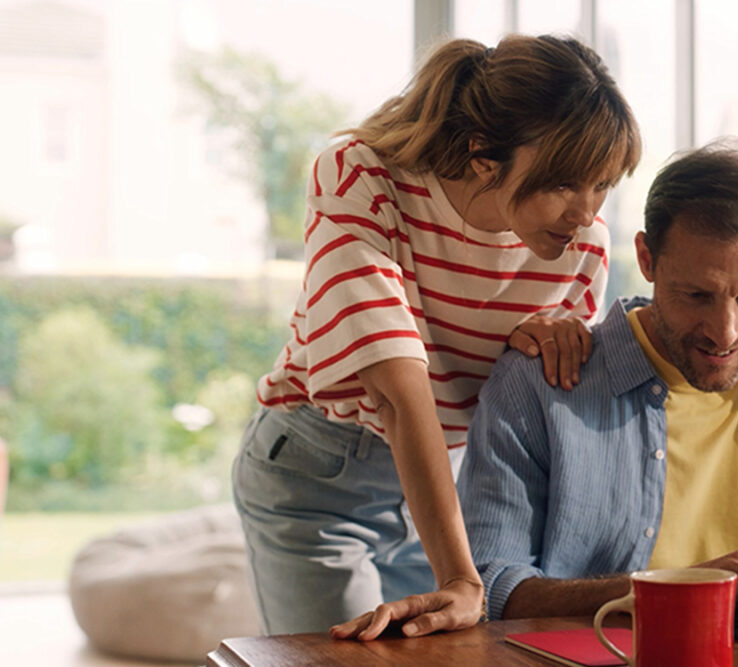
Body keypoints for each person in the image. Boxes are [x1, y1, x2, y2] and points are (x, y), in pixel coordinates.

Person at [236, 33, 641, 640]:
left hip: (440, 487)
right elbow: (398, 392)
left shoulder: (579, 247)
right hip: (320, 472)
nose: (586, 212)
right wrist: (462, 578)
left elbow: (540, 401)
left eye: (602, 184)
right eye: (565, 183)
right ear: (484, 155)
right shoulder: (360, 176)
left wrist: (537, 346)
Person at [439, 139, 738, 622]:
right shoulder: (537, 386)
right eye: (697, 295)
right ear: (646, 258)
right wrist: (677, 590)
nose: (724, 332)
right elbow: (490, 588)